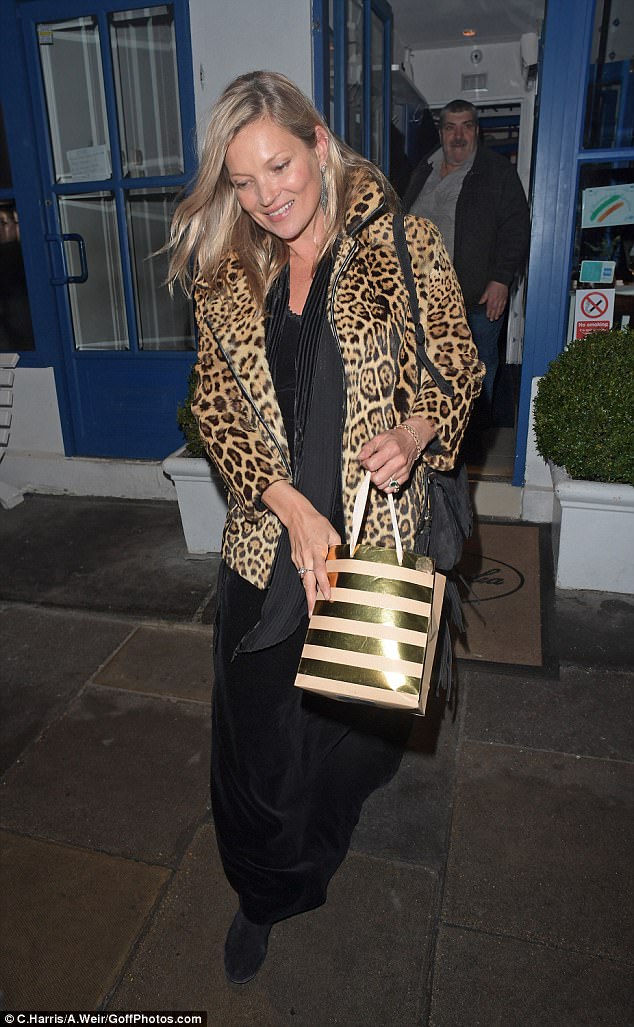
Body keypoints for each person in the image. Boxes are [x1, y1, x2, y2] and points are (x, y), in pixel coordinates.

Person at [168, 71, 483, 986]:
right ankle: (264, 890)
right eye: (244, 181)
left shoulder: (403, 245)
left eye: (279, 166)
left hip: (372, 538)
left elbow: (455, 364)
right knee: (254, 739)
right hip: (271, 544)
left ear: (316, 141)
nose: (268, 196)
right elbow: (216, 406)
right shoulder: (229, 275)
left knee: (354, 724)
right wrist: (287, 502)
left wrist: (416, 431)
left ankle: (336, 810)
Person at [403, 99, 530, 426]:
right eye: (450, 127)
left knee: (477, 369)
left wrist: (501, 278)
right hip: (420, 300)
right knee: (425, 369)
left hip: (474, 299)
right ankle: (429, 431)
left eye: (466, 127)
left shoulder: (497, 172)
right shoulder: (424, 168)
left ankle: (472, 439)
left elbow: (516, 228)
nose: (458, 136)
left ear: (477, 131)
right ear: (441, 133)